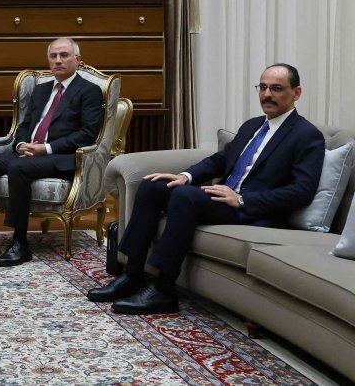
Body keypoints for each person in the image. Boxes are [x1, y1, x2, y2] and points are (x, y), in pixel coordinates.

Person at [86, 63, 323, 314]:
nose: (267, 95)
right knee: (153, 186)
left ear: (296, 93)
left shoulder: (306, 135)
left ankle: (164, 290)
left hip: (252, 210)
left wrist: (243, 199)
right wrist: (185, 176)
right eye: (263, 88)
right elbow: (221, 160)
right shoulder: (253, 126)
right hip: (222, 198)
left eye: (276, 89)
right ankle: (133, 275)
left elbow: (301, 190)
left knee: (185, 198)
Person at [0, 37, 104, 266]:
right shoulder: (41, 90)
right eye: (53, 56)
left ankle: (20, 243)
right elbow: (25, 125)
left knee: (18, 167)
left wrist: (46, 148)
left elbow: (87, 135)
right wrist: (20, 145)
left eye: (64, 55)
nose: (58, 61)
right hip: (28, 152)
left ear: (77, 59)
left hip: (62, 157)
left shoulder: (89, 91)